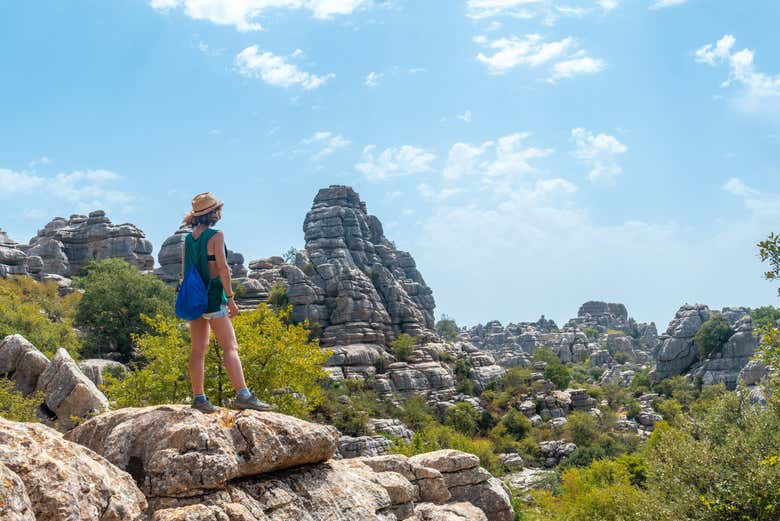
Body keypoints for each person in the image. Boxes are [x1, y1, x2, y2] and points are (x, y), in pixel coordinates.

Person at [182, 192, 274, 413]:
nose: (219, 212)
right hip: (213, 297)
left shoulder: (188, 239)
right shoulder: (216, 235)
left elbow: (186, 271)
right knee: (230, 347)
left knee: (197, 350)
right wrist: (231, 299)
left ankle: (199, 399)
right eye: (217, 209)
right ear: (212, 213)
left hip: (195, 298)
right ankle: (243, 395)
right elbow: (223, 268)